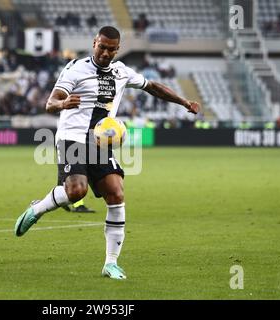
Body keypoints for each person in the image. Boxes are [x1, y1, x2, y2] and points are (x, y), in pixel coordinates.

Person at [14, 26, 200, 280]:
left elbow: (152, 86)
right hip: (72, 138)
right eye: (102, 47)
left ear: (117, 49)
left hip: (100, 142)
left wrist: (184, 102)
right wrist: (62, 104)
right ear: (94, 43)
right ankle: (37, 210)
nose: (105, 52)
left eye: (111, 49)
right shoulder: (75, 68)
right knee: (76, 191)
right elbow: (50, 103)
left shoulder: (121, 72)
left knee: (116, 193)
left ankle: (110, 263)